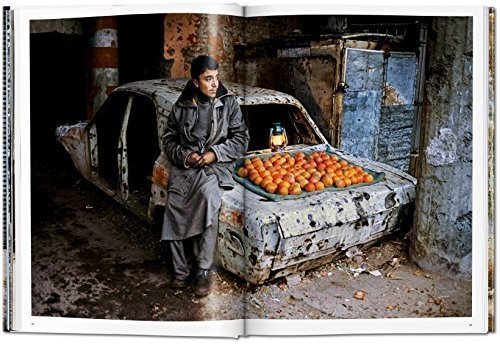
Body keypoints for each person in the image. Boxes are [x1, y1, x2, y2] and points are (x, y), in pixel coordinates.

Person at [161, 55, 249, 297]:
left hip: (214, 167)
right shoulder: (181, 107)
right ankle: (180, 271)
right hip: (186, 168)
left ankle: (202, 270)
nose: (214, 85)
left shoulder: (228, 103)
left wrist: (214, 153)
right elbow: (168, 141)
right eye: (208, 79)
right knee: (173, 207)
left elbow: (241, 138)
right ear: (195, 81)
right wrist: (185, 156)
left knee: (210, 201)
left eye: (216, 78)